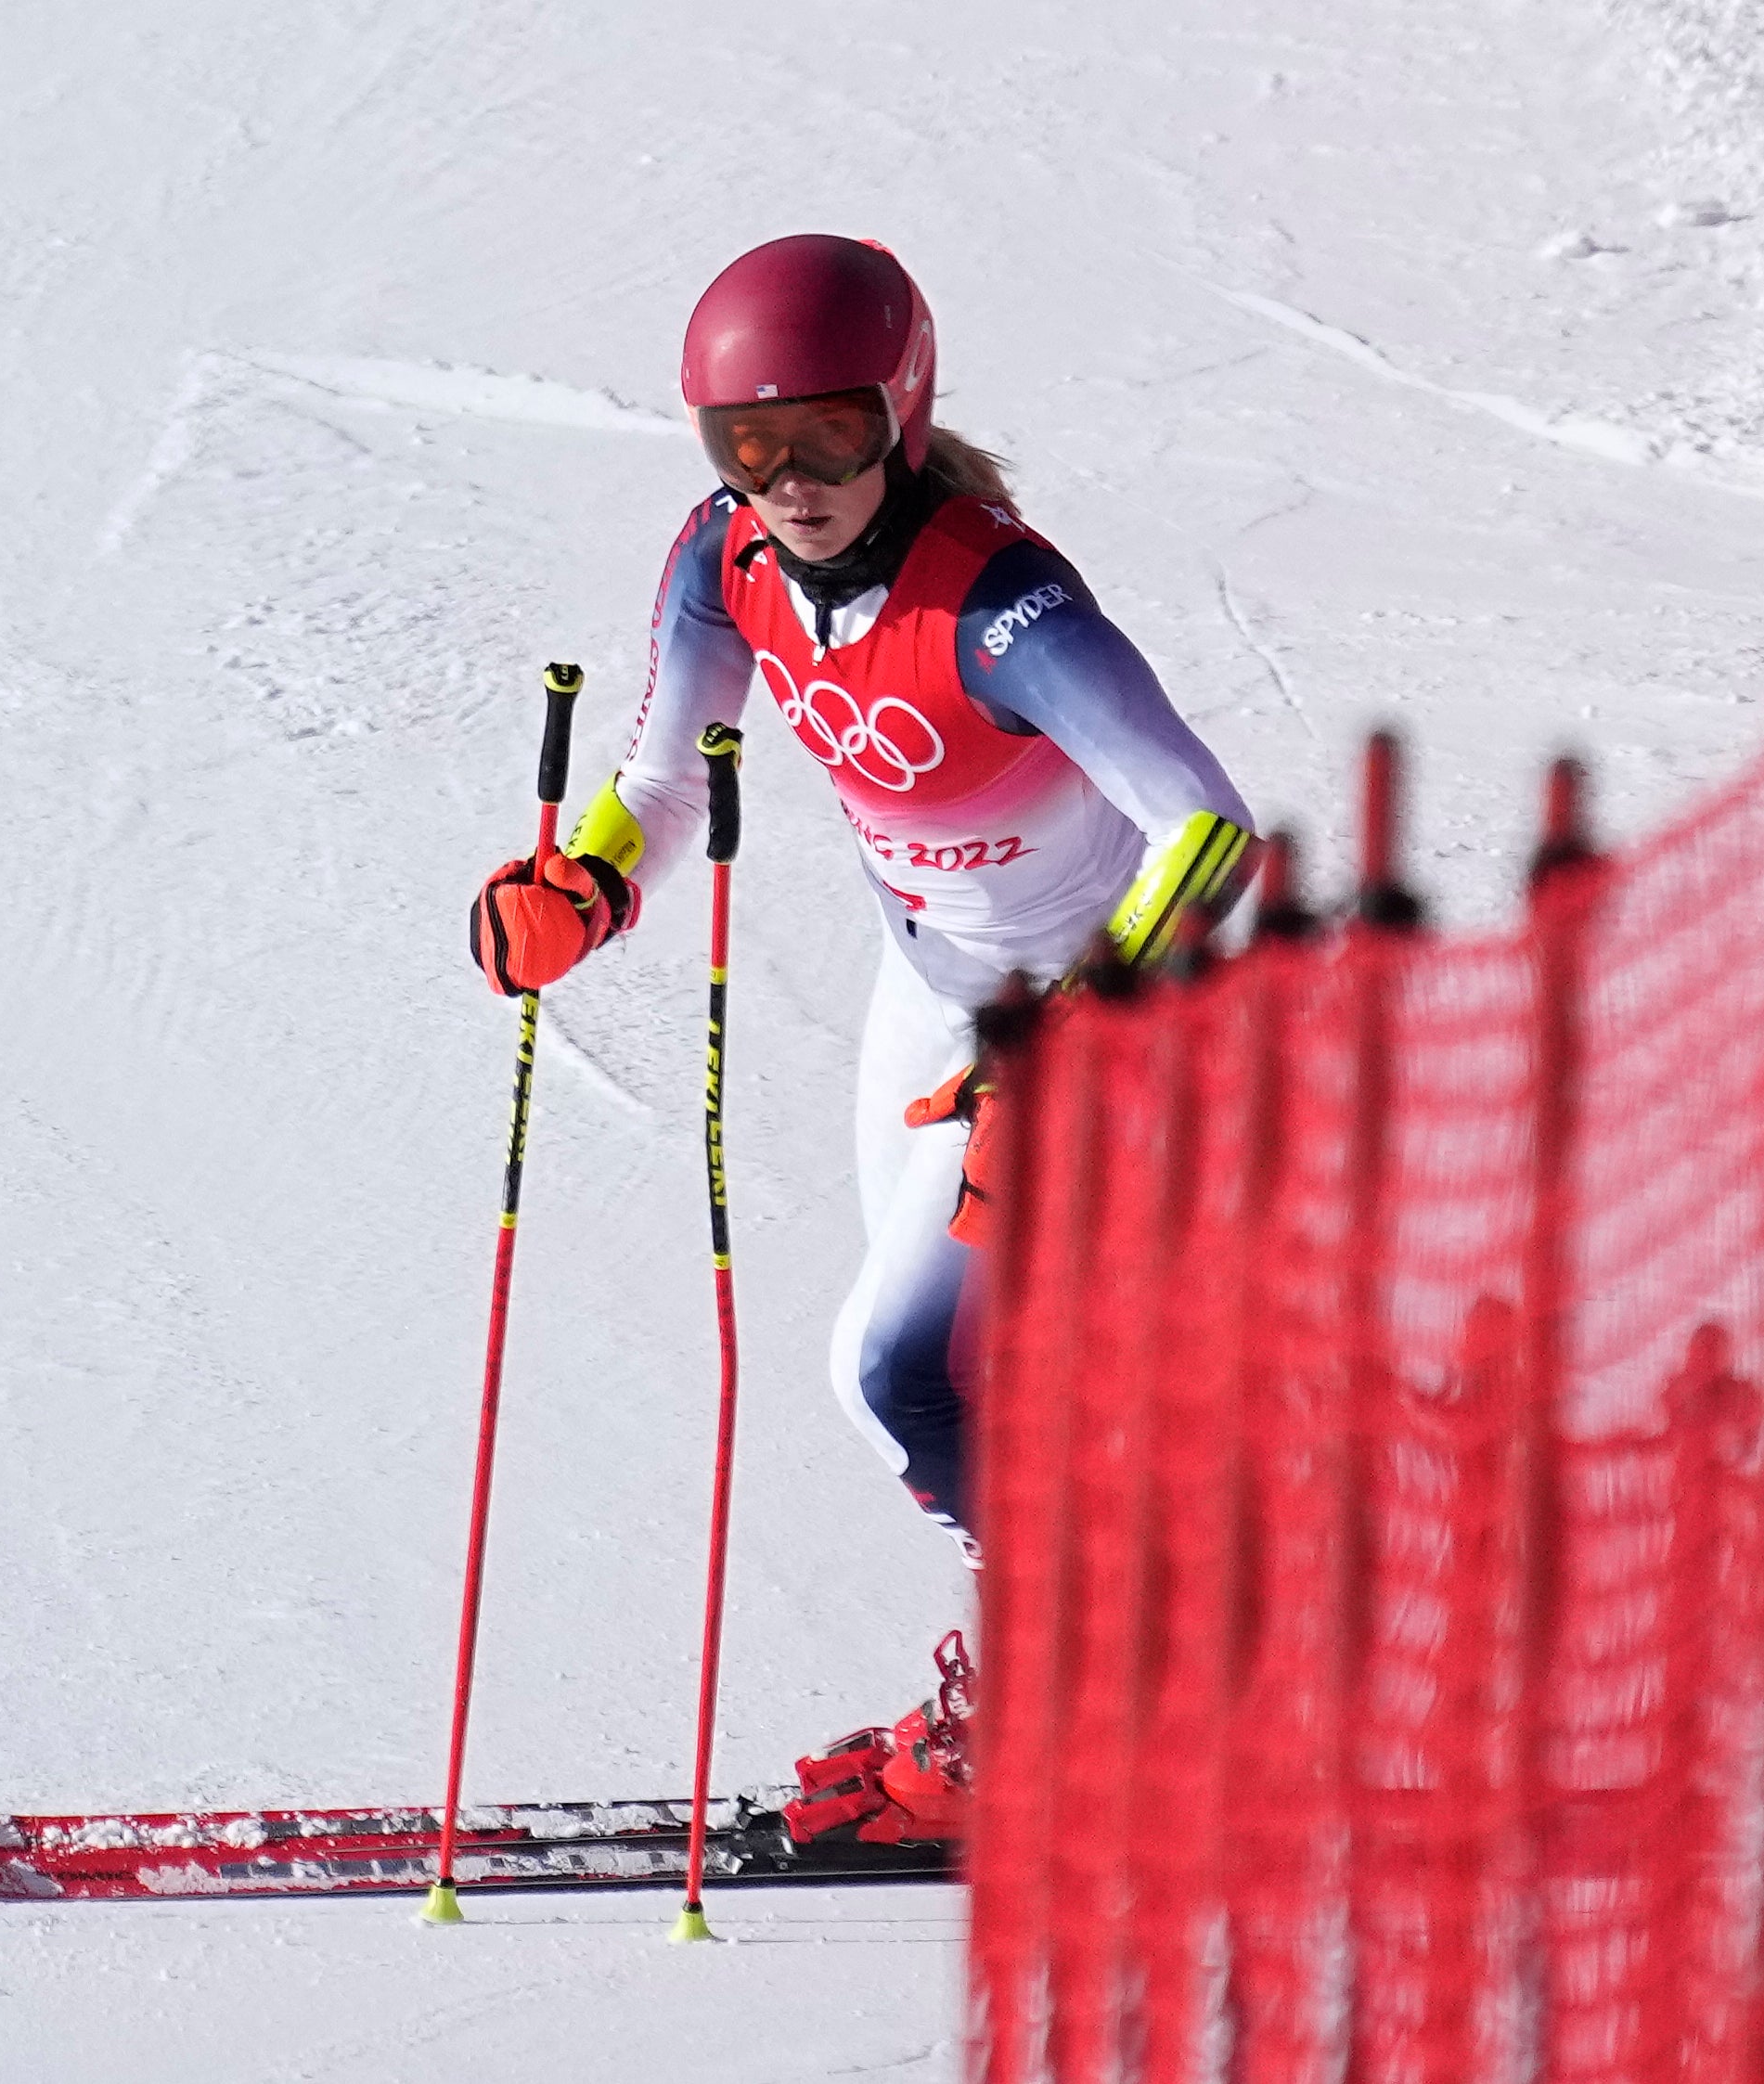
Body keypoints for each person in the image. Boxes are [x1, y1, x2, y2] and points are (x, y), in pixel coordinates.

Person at [468, 234, 1255, 1844]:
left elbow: (1209, 833)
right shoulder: (725, 560)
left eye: (826, 433)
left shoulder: (1003, 607)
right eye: (743, 444)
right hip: (931, 993)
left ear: (896, 411)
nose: (790, 477)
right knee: (954, 1375)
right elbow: (669, 774)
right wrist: (587, 882)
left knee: (899, 1367)